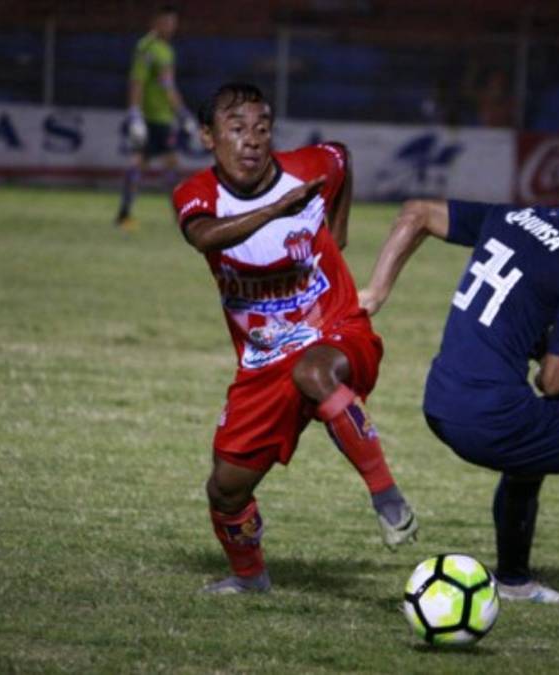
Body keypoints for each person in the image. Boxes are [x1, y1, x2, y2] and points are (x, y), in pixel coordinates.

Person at [358, 141, 559, 617]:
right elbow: (553, 383)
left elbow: (417, 212)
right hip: (490, 418)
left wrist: (375, 291)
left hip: (439, 401)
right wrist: (550, 345)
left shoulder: (510, 216)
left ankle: (514, 581)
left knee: (534, 439)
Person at [171, 82, 419, 594]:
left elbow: (340, 157)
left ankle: (386, 496)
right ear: (207, 137)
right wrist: (277, 210)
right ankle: (250, 579)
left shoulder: (309, 167)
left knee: (314, 371)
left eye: (262, 128)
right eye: (236, 129)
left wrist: (337, 230)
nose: (252, 140)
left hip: (336, 330)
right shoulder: (196, 195)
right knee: (226, 488)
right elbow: (203, 236)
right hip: (263, 362)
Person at [115, 4, 197, 230]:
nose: (170, 27)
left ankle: (130, 214)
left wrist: (182, 114)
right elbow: (137, 81)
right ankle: (126, 214)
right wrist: (135, 114)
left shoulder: (166, 50)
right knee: (146, 164)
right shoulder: (147, 48)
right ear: (155, 22)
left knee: (167, 165)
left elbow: (168, 86)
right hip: (150, 118)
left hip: (165, 118)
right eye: (166, 22)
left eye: (173, 23)